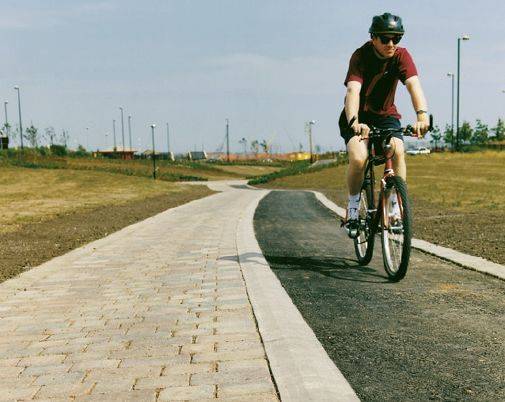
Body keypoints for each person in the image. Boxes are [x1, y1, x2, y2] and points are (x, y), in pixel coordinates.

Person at [338, 12, 430, 237]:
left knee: (397, 150)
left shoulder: (401, 56)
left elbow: (413, 86)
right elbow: (353, 91)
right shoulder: (360, 56)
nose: (391, 44)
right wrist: (355, 122)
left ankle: (394, 205)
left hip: (386, 115)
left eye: (396, 39)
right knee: (359, 158)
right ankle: (352, 206)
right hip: (356, 116)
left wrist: (422, 116)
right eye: (385, 38)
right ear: (373, 38)